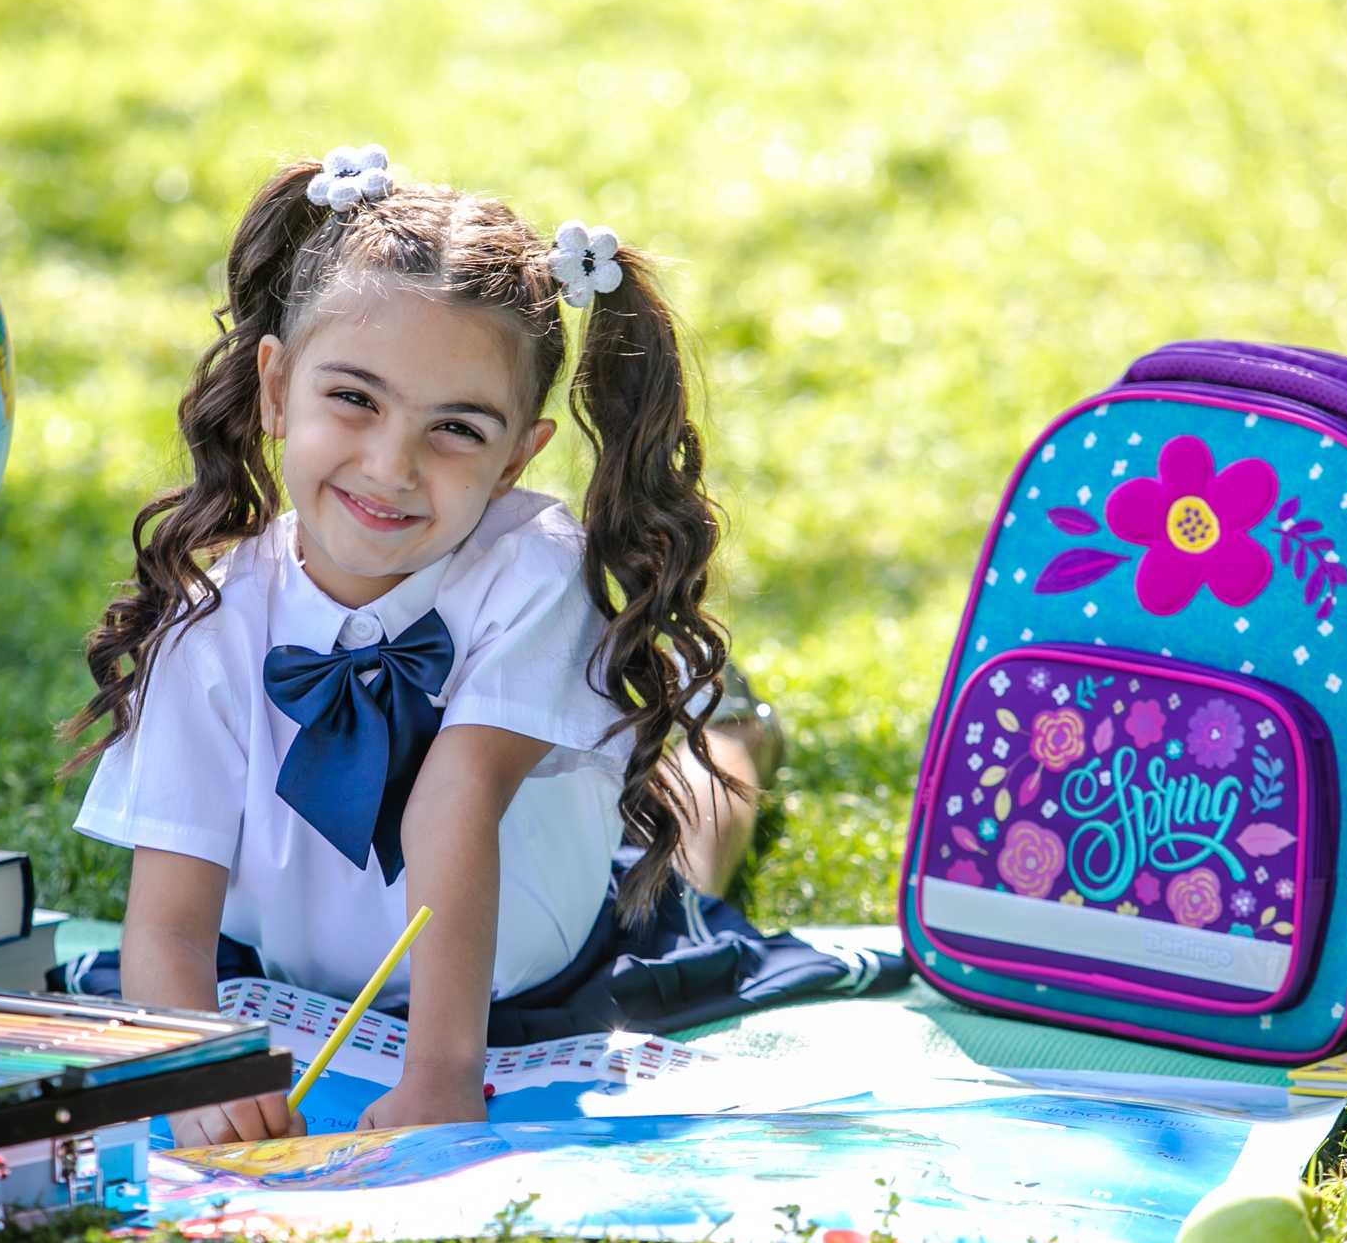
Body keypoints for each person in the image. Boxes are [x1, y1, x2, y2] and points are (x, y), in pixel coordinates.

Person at [60, 145, 877, 1148]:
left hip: (542, 962)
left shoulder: (532, 570)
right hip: (295, 974)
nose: (392, 466)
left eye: (455, 428)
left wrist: (442, 1071)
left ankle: (731, 735)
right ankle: (701, 728)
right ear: (275, 388)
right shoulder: (216, 618)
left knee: (677, 867)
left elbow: (458, 794)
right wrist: (193, 1069)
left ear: (515, 460)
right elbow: (170, 924)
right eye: (352, 399)